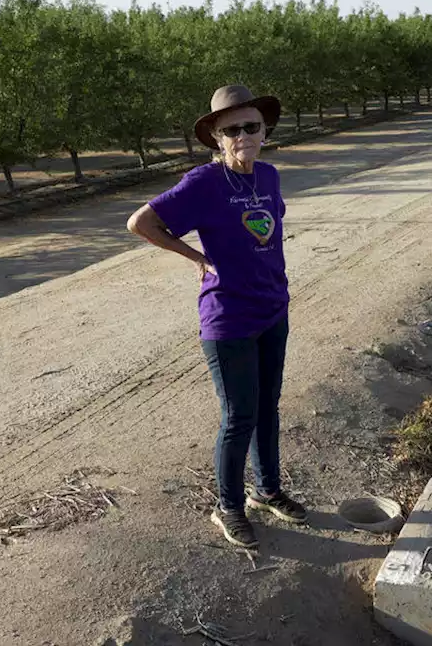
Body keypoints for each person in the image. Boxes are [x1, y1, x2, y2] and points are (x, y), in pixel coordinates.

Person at [127, 84, 305, 548]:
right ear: (217, 139)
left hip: (272, 309)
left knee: (269, 406)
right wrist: (195, 257)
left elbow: (267, 234)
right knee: (239, 414)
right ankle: (228, 506)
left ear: (265, 131)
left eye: (252, 126)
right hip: (227, 318)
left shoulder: (268, 177)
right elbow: (140, 223)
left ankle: (267, 490)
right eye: (232, 130)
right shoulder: (203, 184)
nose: (243, 134)